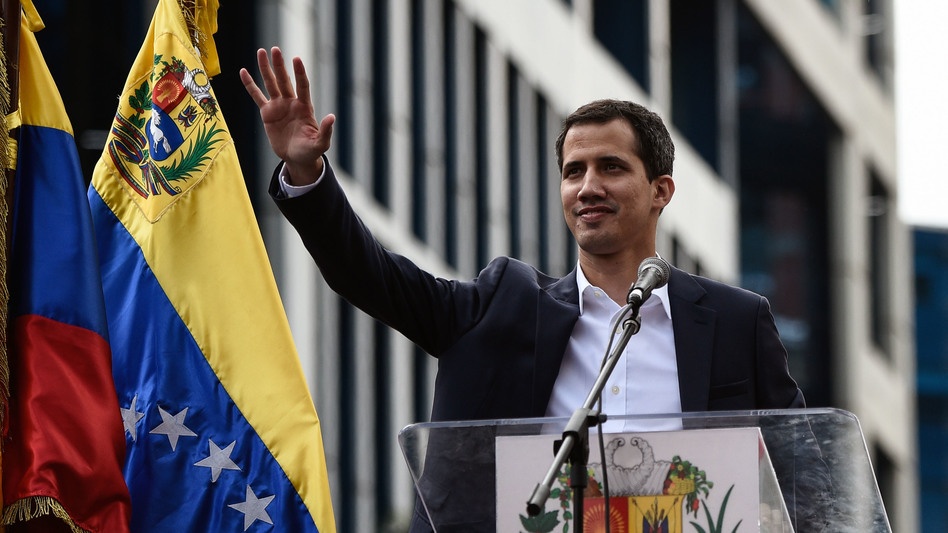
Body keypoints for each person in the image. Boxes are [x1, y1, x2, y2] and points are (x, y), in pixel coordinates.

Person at [240, 47, 812, 531]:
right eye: (573, 171)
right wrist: (306, 176)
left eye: (611, 167)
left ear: (660, 190)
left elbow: (806, 476)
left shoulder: (736, 322)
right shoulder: (501, 306)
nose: (588, 187)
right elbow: (369, 276)